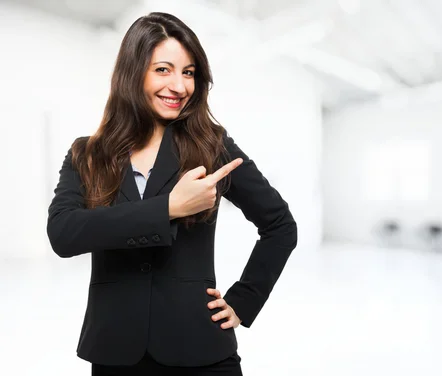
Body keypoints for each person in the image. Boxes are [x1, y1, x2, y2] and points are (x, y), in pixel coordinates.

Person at [46, 12, 297, 376]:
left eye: (189, 72)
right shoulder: (88, 153)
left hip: (202, 351)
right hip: (116, 352)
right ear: (133, 73)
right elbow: (64, 233)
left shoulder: (211, 145)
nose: (179, 86)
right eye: (163, 69)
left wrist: (244, 300)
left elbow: (280, 224)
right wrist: (168, 208)